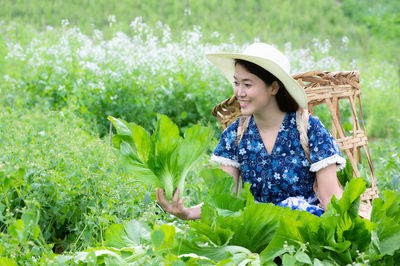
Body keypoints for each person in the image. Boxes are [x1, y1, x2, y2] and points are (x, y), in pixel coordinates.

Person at [156, 43, 345, 220]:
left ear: (274, 87)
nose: (239, 92)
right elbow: (227, 201)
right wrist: (186, 213)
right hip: (256, 229)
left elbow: (331, 200)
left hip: (301, 228)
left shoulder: (309, 129)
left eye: (248, 84)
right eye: (236, 83)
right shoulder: (234, 136)